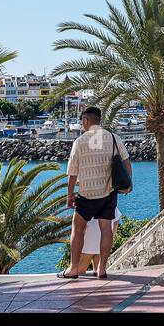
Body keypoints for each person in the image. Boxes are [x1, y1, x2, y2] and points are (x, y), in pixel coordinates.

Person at [58, 106, 130, 280]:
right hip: (109, 193)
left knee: (78, 228)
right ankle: (102, 269)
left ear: (85, 121)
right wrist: (128, 185)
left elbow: (72, 173)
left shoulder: (80, 141)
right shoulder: (114, 138)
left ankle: (73, 269)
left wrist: (69, 196)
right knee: (106, 228)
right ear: (99, 120)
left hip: (87, 195)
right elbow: (126, 162)